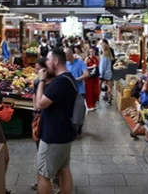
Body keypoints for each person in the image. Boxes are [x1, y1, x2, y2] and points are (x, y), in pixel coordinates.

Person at [36, 49, 77, 194]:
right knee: (63, 169)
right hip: (65, 133)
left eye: (47, 60)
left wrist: (41, 80)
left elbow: (39, 104)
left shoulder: (59, 82)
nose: (45, 64)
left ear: (55, 61)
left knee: (44, 175)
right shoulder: (69, 78)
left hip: (53, 136)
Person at [31, 58, 59, 193]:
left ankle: (55, 181)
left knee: (51, 153)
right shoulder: (37, 82)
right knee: (40, 151)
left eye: (38, 69)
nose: (36, 72)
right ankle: (41, 180)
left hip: (51, 122)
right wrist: (35, 112)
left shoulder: (55, 83)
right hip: (39, 119)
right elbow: (35, 100)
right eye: (36, 69)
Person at [65, 48, 89, 135]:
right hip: (68, 91)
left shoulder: (80, 63)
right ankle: (72, 127)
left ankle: (79, 126)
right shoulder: (65, 63)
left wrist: (78, 79)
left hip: (80, 91)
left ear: (71, 55)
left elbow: (86, 74)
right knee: (70, 109)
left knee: (80, 109)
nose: (65, 57)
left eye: (66, 55)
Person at [130, 78, 148, 143]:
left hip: (146, 105)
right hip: (147, 106)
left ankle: (137, 133)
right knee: (147, 121)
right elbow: (144, 90)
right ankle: (145, 137)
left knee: (143, 121)